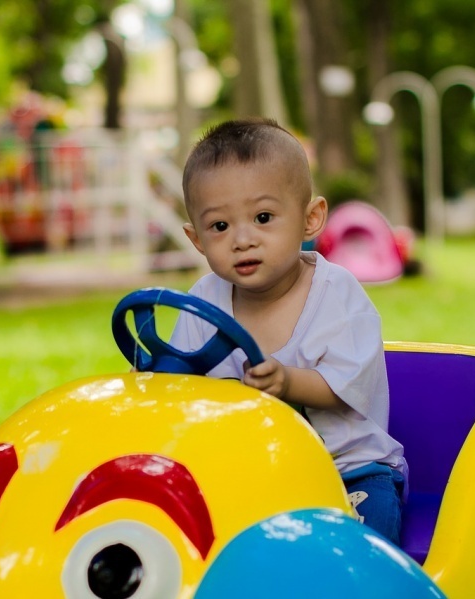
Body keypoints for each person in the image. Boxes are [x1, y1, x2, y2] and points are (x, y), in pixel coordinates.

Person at [168, 117, 407, 545]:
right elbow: (179, 386)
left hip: (346, 470)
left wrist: (287, 381)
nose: (242, 239)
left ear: (310, 218)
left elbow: (342, 385)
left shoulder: (336, 294)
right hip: (252, 472)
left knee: (365, 544)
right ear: (197, 238)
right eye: (220, 226)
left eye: (263, 217)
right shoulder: (202, 300)